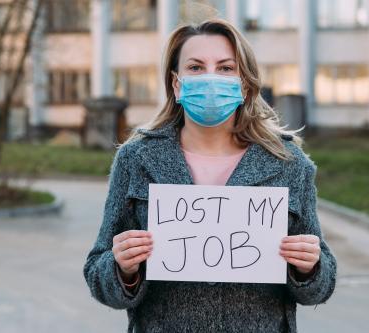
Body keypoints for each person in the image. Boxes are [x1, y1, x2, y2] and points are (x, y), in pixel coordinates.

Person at [83, 19, 337, 333]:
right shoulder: (136, 159)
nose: (211, 78)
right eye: (196, 67)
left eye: (226, 68)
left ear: (244, 84)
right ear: (176, 84)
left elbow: (320, 287)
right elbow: (97, 273)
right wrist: (122, 268)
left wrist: (310, 267)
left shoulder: (288, 163)